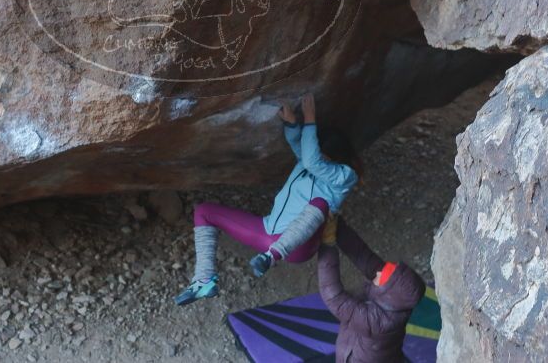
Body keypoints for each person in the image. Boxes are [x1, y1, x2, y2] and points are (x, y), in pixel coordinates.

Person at [174, 94, 361, 306]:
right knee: (203, 211)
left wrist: (310, 119)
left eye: (323, 155)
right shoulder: (308, 162)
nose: (318, 158)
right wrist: (292, 124)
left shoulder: (344, 177)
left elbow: (311, 160)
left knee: (320, 203)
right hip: (268, 231)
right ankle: (203, 280)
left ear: (337, 157)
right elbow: (304, 151)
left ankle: (272, 256)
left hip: (297, 246)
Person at [317, 216, 425, 363]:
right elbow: (363, 255)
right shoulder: (395, 300)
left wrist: (327, 245)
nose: (379, 272)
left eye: (383, 275)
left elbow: (335, 298)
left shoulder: (378, 322)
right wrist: (337, 225)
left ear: (387, 291)